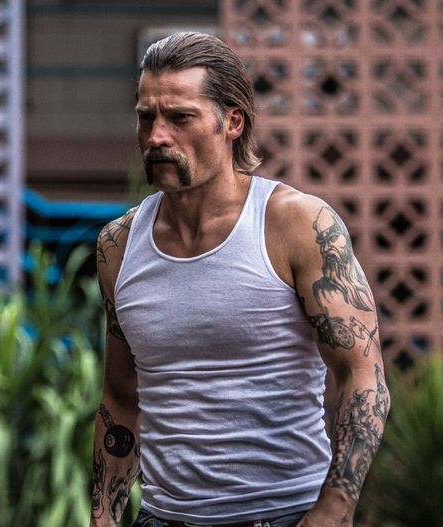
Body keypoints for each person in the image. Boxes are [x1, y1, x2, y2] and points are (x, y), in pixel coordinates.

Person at [90, 32, 389, 527]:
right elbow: (121, 400)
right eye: (147, 118)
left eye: (180, 118)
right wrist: (102, 518)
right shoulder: (118, 246)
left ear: (233, 122)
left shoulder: (296, 225)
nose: (157, 137)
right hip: (163, 518)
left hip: (285, 514)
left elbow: (363, 375)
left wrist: (336, 507)